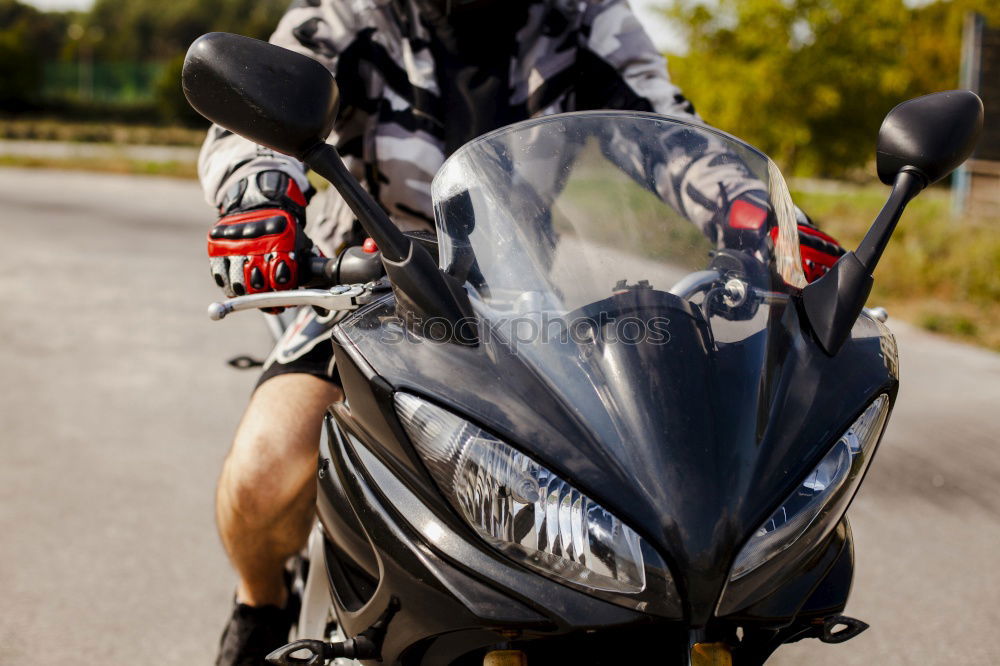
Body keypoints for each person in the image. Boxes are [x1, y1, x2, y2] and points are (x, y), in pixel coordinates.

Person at [198, 1, 845, 663]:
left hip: (528, 304)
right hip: (365, 297)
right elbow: (252, 129)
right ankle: (259, 607)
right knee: (266, 468)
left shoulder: (580, 16)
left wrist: (754, 213)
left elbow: (664, 125)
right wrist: (260, 199)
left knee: (655, 473)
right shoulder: (344, 14)